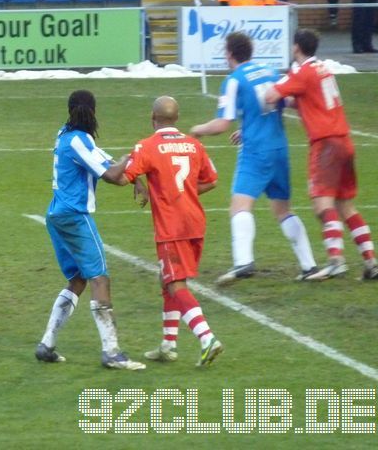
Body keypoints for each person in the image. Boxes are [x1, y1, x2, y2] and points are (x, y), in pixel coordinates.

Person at [189, 32, 324, 283]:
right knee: (283, 209)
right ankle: (310, 266)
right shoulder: (272, 72)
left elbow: (222, 124)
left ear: (229, 53)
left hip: (256, 152)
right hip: (280, 149)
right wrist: (249, 126)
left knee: (239, 206)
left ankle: (243, 262)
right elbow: (288, 102)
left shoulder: (234, 80)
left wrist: (198, 130)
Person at [106, 96, 222, 366]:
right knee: (166, 279)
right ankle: (168, 345)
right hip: (195, 223)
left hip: (171, 227)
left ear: (152, 117)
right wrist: (183, 192)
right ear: (177, 118)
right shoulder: (195, 145)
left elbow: (122, 178)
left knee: (175, 283)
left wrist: (124, 163)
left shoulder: (147, 146)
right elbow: (212, 181)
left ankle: (207, 338)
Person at [35, 90, 146, 370]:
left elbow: (111, 168)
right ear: (94, 112)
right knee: (100, 278)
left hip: (57, 215)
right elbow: (111, 175)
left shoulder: (65, 134)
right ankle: (112, 351)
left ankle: (47, 344)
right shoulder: (79, 140)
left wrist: (132, 176)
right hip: (74, 216)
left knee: (77, 279)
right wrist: (131, 158)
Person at [265, 29, 377, 280]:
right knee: (345, 205)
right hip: (345, 141)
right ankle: (371, 261)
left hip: (325, 144)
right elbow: (306, 99)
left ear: (296, 48)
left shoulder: (301, 72)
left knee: (322, 204)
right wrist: (290, 99)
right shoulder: (323, 68)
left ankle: (335, 259)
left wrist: (274, 88)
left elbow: (271, 95)